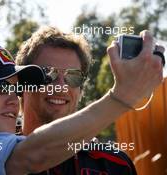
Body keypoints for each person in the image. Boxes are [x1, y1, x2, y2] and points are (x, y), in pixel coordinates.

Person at [0, 34, 162, 175]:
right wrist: (122, 96)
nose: (11, 97)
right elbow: (35, 154)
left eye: (15, 87)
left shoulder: (111, 163)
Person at [15, 26, 165, 174]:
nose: (61, 86)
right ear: (21, 84)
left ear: (81, 90)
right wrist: (124, 96)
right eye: (47, 74)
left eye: (73, 76)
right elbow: (33, 156)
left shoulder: (114, 165)